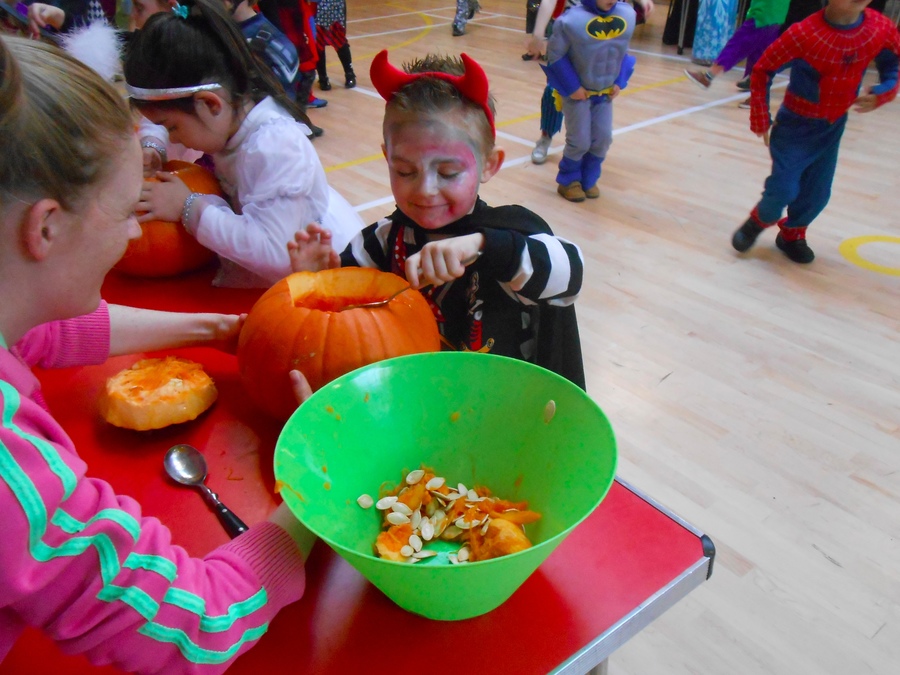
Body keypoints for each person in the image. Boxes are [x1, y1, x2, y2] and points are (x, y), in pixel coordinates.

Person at [0, 34, 316, 671]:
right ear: (47, 227)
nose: (138, 231)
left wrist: (215, 329)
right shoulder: (13, 470)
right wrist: (310, 502)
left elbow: (40, 332)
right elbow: (196, 624)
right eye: (124, 213)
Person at [289, 50, 587, 388]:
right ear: (387, 158)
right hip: (415, 402)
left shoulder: (511, 235)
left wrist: (483, 247)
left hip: (500, 407)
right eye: (405, 171)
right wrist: (318, 281)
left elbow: (571, 275)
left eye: (448, 172)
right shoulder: (382, 241)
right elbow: (340, 328)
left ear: (489, 165)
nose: (425, 189)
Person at [123, 0, 364, 288]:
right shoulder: (231, 113)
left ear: (210, 104)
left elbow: (276, 253)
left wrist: (189, 206)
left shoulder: (274, 146)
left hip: (327, 285)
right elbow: (162, 111)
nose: (173, 138)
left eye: (172, 128)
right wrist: (154, 145)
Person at [731, 0, 900, 264]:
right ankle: (758, 220)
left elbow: (893, 64)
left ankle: (792, 233)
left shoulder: (879, 27)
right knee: (783, 189)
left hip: (832, 128)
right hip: (794, 128)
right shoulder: (804, 33)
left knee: (818, 194)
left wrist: (885, 91)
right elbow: (763, 69)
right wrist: (761, 115)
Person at [526, 0, 653, 165]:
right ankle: (546, 136)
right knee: (554, 89)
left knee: (599, 97)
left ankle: (590, 149)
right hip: (571, 33)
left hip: (604, 32)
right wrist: (538, 33)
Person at [544, 0, 637, 202]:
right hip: (579, 93)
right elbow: (555, 55)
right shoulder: (570, 21)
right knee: (579, 140)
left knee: (603, 138)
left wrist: (620, 81)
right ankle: (568, 180)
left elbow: (623, 52)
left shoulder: (627, 15)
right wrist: (572, 87)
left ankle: (589, 178)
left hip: (604, 93)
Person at [684, 0, 790, 106]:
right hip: (775, 12)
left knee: (738, 44)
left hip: (764, 13)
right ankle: (757, 97)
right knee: (761, 54)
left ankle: (708, 77)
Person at [314, 0, 356, 90]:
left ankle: (350, 74)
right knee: (318, 45)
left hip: (336, 8)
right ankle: (323, 78)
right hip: (317, 8)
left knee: (340, 42)